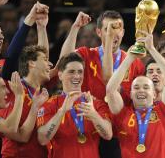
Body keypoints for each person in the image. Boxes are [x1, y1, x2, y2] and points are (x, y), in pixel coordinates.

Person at [60, 10, 144, 158]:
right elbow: (65, 60)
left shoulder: (134, 62)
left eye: (116, 28)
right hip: (90, 128)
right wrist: (75, 27)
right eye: (107, 29)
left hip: (121, 134)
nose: (112, 33)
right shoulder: (87, 54)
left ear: (123, 32)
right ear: (98, 32)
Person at [105, 30, 165, 157]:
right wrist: (130, 58)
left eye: (146, 87)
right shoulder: (123, 114)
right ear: (131, 94)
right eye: (136, 87)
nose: (141, 90)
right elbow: (110, 90)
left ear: (154, 94)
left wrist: (152, 49)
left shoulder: (164, 112)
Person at [37, 52, 112, 158]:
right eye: (71, 72)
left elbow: (108, 135)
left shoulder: (94, 103)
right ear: (60, 74)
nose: (77, 76)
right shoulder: (50, 105)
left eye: (80, 72)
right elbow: (43, 139)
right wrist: (62, 111)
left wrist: (94, 115)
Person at [0, 46, 52, 158]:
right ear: (32, 63)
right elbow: (11, 132)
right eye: (45, 59)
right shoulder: (15, 89)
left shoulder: (43, 95)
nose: (50, 64)